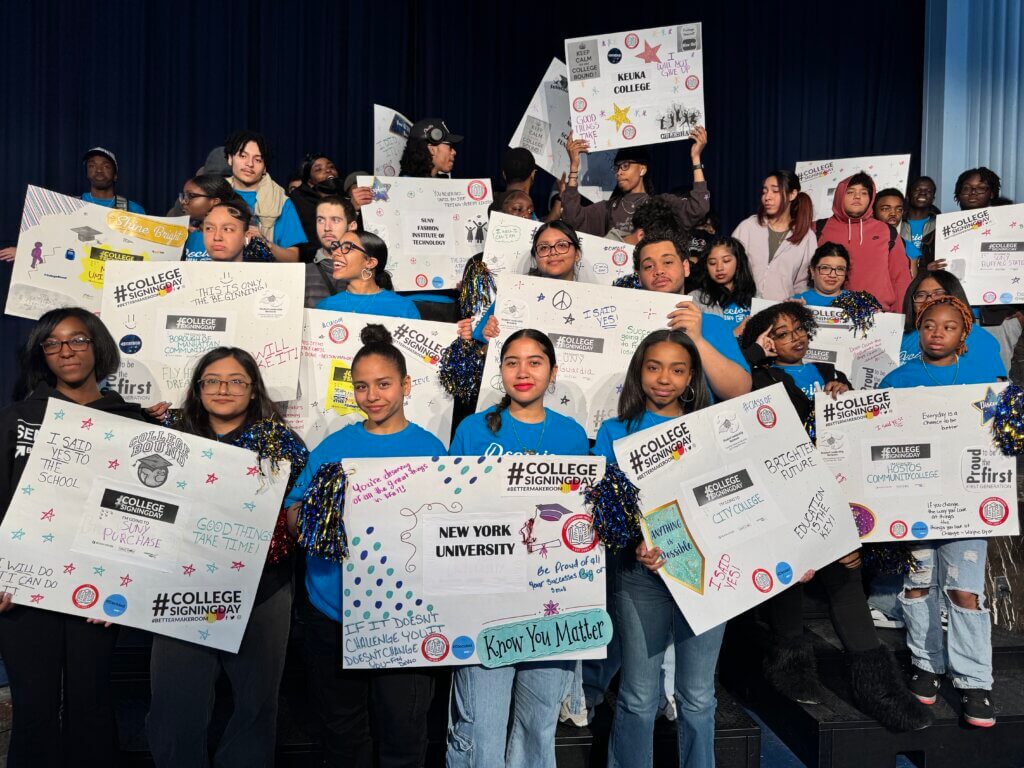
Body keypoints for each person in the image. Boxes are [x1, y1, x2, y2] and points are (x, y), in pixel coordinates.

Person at [738, 303, 931, 732]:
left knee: (845, 580)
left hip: (835, 490)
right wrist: (752, 350)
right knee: (789, 579)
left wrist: (845, 398)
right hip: (783, 490)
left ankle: (879, 689)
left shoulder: (829, 371)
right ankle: (790, 670)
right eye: (782, 333)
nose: (796, 338)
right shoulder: (756, 374)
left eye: (798, 330)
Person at [0, 307, 153, 766]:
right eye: (53, 343)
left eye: (78, 340)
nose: (66, 351)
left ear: (98, 347)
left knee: (92, 702)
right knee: (33, 707)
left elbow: (146, 517)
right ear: (42, 354)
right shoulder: (18, 418)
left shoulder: (134, 422)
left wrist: (124, 582)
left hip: (97, 589)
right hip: (22, 588)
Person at [286, 325, 445, 766]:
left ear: (406, 386)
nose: (372, 395)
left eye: (383, 384)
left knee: (404, 733)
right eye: (361, 386)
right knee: (342, 735)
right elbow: (294, 513)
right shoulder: (333, 447)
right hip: (331, 613)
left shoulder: (432, 449)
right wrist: (317, 520)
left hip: (405, 617)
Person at [147, 348, 308, 767]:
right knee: (175, 704)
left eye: (236, 381)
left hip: (263, 591)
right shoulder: (168, 434)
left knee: (256, 708)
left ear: (253, 389)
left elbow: (295, 516)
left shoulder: (282, 442)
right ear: (198, 388)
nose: (223, 389)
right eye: (212, 380)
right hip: (180, 590)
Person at [447, 329, 589, 768]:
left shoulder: (572, 435)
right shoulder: (472, 430)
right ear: (500, 370)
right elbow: (449, 510)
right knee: (480, 729)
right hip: (485, 603)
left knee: (537, 726)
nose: (523, 372)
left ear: (553, 371)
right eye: (512, 362)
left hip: (552, 601)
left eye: (534, 362)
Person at [880, 296, 999, 728]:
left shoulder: (986, 382)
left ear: (962, 334)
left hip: (966, 505)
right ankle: (926, 665)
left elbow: (1004, 443)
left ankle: (975, 682)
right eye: (929, 325)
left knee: (964, 592)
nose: (937, 334)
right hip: (913, 503)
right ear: (919, 329)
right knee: (917, 585)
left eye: (948, 327)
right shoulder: (896, 379)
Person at [634, 232, 751, 400]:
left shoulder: (714, 324)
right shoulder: (627, 324)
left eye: (667, 262)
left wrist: (697, 341)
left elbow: (740, 390)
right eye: (648, 266)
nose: (659, 271)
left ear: (686, 267)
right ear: (639, 277)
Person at [561, 127, 709, 239]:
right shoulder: (608, 209)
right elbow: (573, 218)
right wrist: (574, 166)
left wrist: (696, 157)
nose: (619, 172)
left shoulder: (662, 204)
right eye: (617, 168)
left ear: (642, 169)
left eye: (625, 166)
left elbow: (698, 207)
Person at [460, 221, 584, 343]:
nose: (553, 252)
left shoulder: (593, 303)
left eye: (562, 245)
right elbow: (483, 353)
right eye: (544, 248)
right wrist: (490, 342)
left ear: (577, 254)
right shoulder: (512, 295)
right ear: (535, 258)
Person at [815, 173, 910, 312]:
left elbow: (901, 278)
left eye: (864, 193)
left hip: (878, 315)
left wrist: (901, 318)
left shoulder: (887, 232)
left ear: (870, 199)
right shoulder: (818, 229)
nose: (857, 197)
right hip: (827, 315)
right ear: (840, 195)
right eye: (850, 192)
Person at [898, 270, 1005, 375]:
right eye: (921, 295)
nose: (929, 300)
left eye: (939, 293)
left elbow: (994, 385)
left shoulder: (978, 337)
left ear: (955, 297)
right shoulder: (899, 336)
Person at [224, 130, 307, 262]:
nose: (250, 164)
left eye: (258, 159)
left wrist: (265, 244)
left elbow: (293, 258)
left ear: (265, 167)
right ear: (230, 158)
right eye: (243, 156)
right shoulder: (213, 195)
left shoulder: (282, 202)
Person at [732, 170, 815, 301]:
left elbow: (803, 283)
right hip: (744, 309)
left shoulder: (807, 236)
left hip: (782, 312)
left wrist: (797, 302)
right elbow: (731, 268)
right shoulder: (748, 227)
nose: (767, 197)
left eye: (775, 191)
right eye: (764, 191)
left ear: (792, 194)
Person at [315, 229, 420, 319]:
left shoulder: (404, 307)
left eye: (347, 247)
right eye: (336, 246)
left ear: (370, 262)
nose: (335, 253)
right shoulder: (326, 306)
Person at [687, 235, 756, 333]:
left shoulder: (754, 295)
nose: (719, 268)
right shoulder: (696, 298)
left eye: (726, 261)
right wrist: (733, 334)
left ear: (739, 262)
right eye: (712, 263)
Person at [305, 196, 358, 307]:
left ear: (351, 226)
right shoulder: (302, 274)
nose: (327, 228)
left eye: (335, 220)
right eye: (320, 220)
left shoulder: (368, 273)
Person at [289, 153, 341, 263]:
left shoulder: (344, 199)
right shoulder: (298, 200)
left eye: (331, 167)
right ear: (309, 181)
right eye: (318, 169)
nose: (328, 170)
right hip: (310, 265)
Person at [180, 174, 234, 260]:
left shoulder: (234, 236)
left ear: (215, 202)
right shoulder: (185, 236)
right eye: (184, 196)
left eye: (190, 196)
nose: (183, 201)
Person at [81, 146, 145, 213]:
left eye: (106, 166)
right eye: (92, 166)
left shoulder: (134, 210)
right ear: (87, 174)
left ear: (115, 175)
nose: (99, 170)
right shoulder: (73, 204)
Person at [902, 177, 939, 267]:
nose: (923, 193)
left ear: (933, 199)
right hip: (900, 278)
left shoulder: (940, 225)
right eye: (917, 189)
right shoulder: (896, 224)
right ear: (908, 196)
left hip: (928, 278)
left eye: (928, 191)